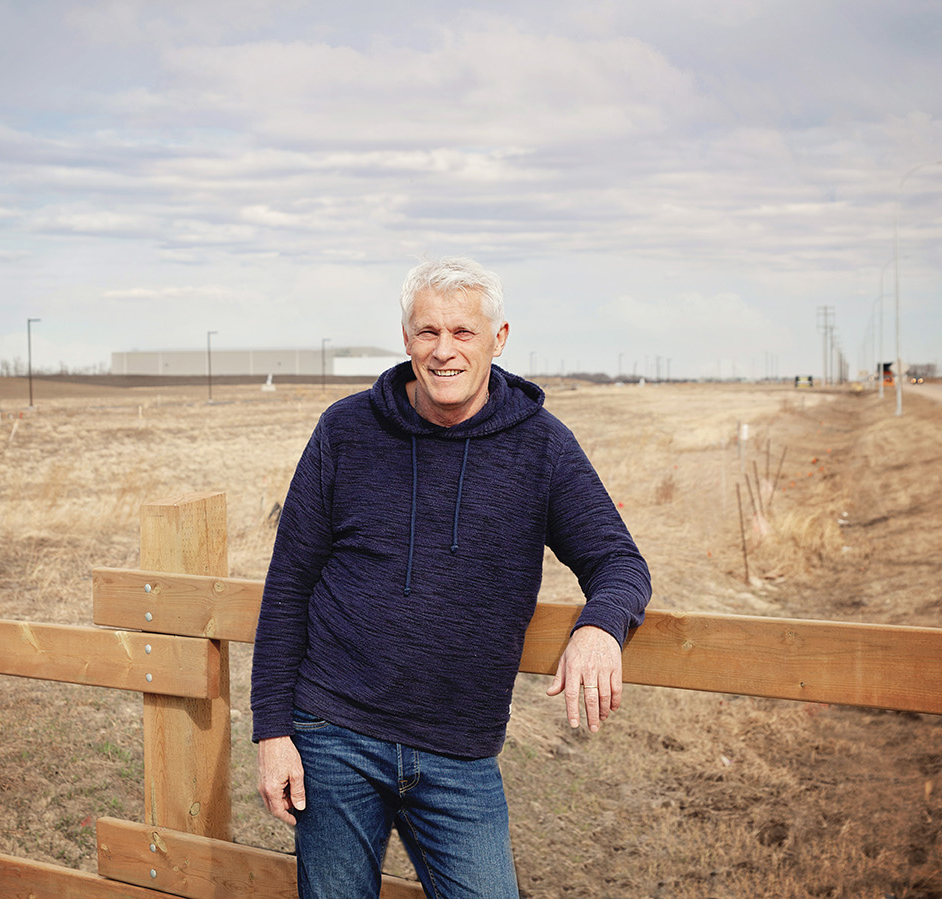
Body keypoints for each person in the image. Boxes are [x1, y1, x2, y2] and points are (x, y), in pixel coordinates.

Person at [252, 256, 651, 898]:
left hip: (458, 753)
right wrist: (273, 731)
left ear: (499, 338)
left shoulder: (541, 446)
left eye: (463, 332)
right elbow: (289, 586)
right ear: (406, 338)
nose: (444, 351)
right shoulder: (345, 431)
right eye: (427, 332)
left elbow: (619, 562)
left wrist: (600, 629)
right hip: (334, 737)